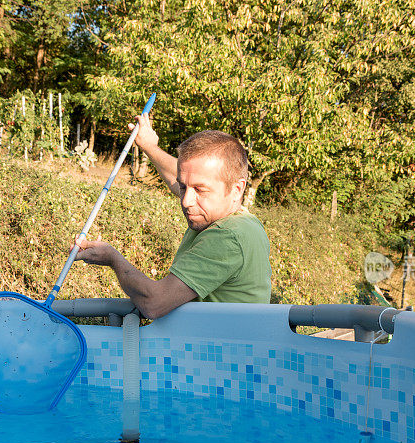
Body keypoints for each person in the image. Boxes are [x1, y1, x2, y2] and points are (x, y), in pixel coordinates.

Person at [73, 114, 271, 319]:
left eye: (200, 190)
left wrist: (112, 258)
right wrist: (150, 146)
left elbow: (154, 303)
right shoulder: (243, 221)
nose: (186, 201)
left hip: (215, 350)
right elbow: (181, 179)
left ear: (237, 189)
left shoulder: (226, 236)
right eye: (184, 187)